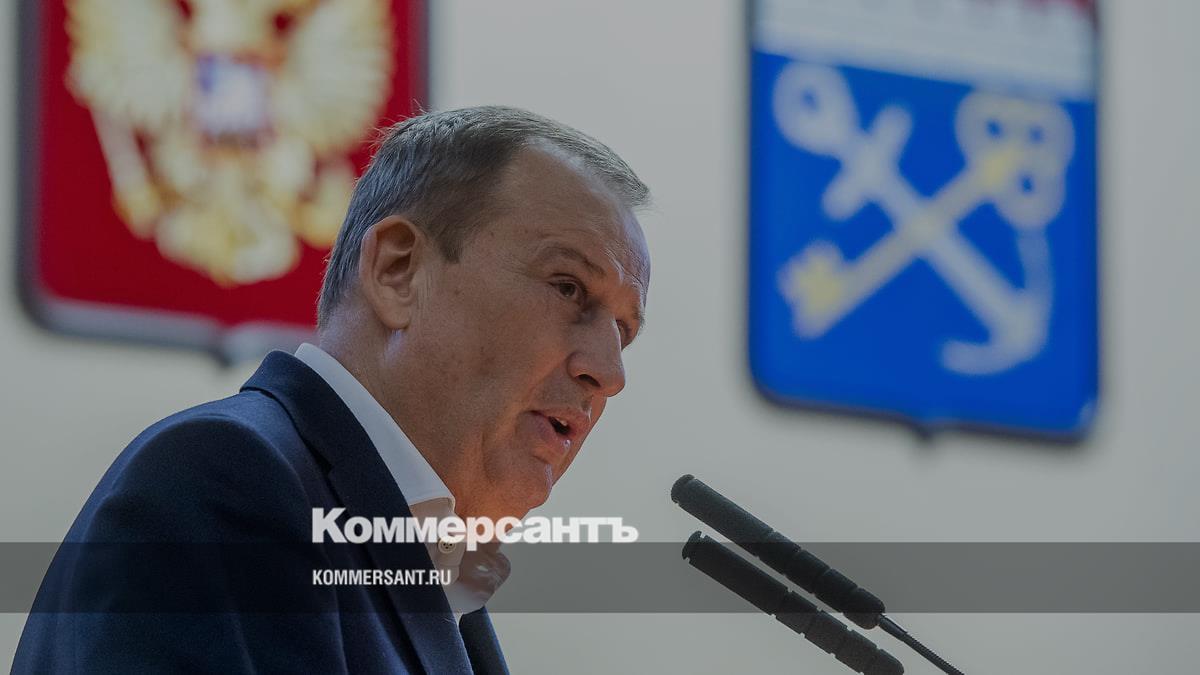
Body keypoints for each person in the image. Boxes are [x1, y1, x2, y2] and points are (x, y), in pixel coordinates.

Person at [14, 106, 651, 674]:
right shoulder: (228, 480)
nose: (610, 372)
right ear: (398, 271)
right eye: (568, 287)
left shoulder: (436, 570)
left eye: (623, 331)